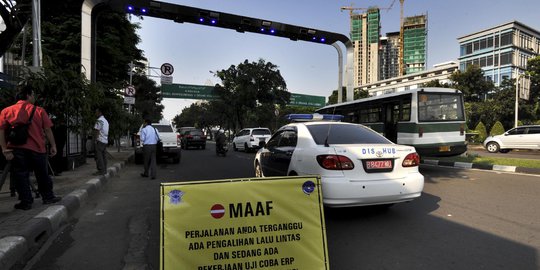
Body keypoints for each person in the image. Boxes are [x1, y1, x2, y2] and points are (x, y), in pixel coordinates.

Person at [0, 84, 61, 210]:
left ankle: (26, 202)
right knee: (42, 174)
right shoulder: (39, 110)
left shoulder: (6, 111)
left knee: (21, 175)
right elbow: (48, 130)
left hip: (16, 149)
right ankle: (48, 197)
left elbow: (1, 132)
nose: (34, 97)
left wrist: (4, 149)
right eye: (33, 94)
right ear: (28, 95)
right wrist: (53, 145)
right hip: (37, 149)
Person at [93, 107, 109, 176]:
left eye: (96, 112)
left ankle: (101, 170)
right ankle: (104, 170)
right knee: (104, 156)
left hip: (100, 140)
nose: (95, 113)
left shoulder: (99, 120)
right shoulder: (106, 121)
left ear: (99, 112)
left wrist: (95, 140)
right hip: (105, 141)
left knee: (99, 157)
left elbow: (97, 130)